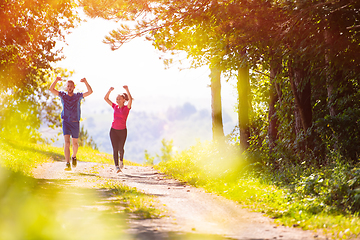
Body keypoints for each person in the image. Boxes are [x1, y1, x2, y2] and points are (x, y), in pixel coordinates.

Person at [49, 76, 93, 170]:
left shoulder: (78, 96)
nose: (69, 88)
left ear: (74, 87)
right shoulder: (63, 95)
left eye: (71, 86)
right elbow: (51, 89)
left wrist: (85, 82)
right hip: (66, 121)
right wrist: (56, 80)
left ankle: (74, 156)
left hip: (75, 122)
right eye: (68, 86)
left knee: (75, 144)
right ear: (66, 87)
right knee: (67, 143)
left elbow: (90, 92)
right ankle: (67, 163)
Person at [104, 85, 133, 173]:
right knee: (115, 148)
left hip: (122, 131)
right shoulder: (115, 106)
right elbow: (106, 98)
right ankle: (117, 167)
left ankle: (121, 159)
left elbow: (130, 100)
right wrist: (109, 90)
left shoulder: (126, 108)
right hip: (113, 130)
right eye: (117, 99)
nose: (117, 100)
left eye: (119, 99)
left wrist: (127, 90)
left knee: (121, 148)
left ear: (124, 100)